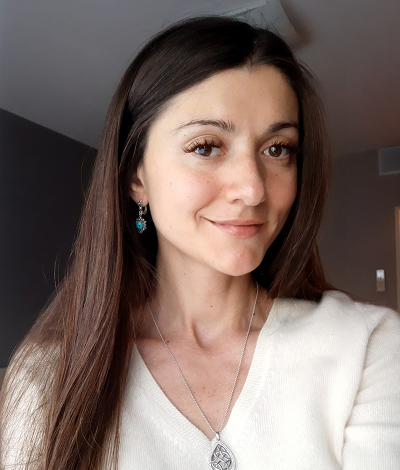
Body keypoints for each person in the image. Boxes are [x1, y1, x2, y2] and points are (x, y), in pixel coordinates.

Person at [1, 14, 399, 470]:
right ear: (136, 177)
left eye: (277, 149)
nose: (253, 189)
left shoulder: (366, 348)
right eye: (206, 147)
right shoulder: (47, 378)